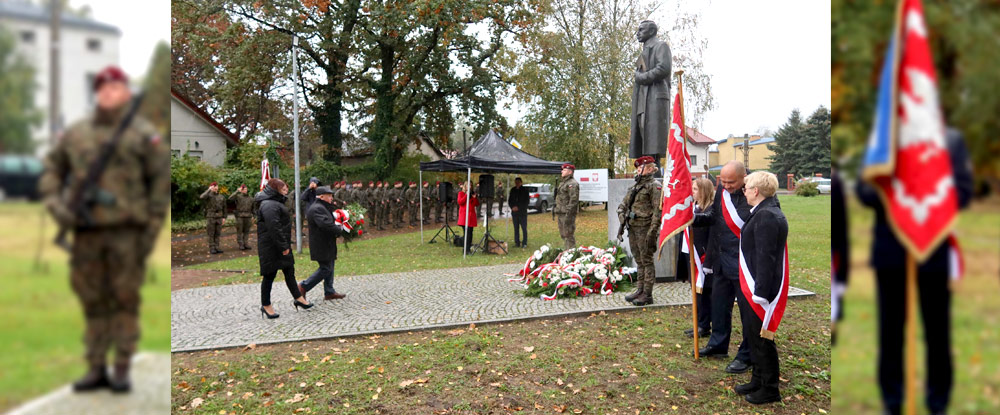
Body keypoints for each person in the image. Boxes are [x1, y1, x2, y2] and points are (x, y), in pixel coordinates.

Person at [39, 65, 169, 392]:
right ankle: (96, 367)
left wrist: (151, 229)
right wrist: (56, 206)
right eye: (102, 88)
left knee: (125, 299)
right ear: (96, 93)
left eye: (114, 87)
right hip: (86, 232)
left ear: (125, 91)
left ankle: (122, 367)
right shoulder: (77, 132)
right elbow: (52, 169)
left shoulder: (142, 133)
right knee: (92, 301)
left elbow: (160, 182)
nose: (107, 93)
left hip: (127, 232)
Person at [854, 128, 973, 415]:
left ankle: (938, 402)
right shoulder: (882, 138)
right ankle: (893, 402)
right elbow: (863, 191)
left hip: (932, 251)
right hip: (892, 254)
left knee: (937, 332)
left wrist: (926, 187)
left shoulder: (951, 140)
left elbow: (964, 193)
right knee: (891, 333)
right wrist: (894, 186)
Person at [692, 160, 753, 374]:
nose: (726, 186)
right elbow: (714, 216)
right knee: (719, 307)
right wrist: (692, 219)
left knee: (748, 314)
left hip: (744, 263)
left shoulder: (755, 192)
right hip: (720, 261)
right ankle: (718, 345)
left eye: (731, 182)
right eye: (723, 182)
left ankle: (747, 354)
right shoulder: (721, 192)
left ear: (743, 177)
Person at [735, 171, 787, 405]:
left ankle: (770, 388)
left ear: (756, 191)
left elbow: (766, 258)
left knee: (763, 339)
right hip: (754, 286)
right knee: (753, 335)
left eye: (746, 188)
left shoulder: (767, 216)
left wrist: (761, 294)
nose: (743, 191)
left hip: (760, 290)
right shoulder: (763, 212)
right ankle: (758, 378)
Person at [255, 178, 312, 319]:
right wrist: (283, 247)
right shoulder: (268, 204)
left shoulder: (275, 202)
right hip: (271, 246)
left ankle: (298, 298)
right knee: (269, 275)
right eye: (283, 187)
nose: (286, 189)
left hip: (280, 244)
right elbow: (274, 227)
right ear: (275, 189)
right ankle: (266, 305)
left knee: (289, 271)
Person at [616, 156, 662, 306]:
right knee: (639, 260)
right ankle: (640, 289)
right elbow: (622, 205)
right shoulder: (635, 186)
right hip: (633, 228)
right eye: (637, 168)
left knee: (647, 261)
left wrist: (653, 231)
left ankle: (647, 294)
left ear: (649, 169)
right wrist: (622, 216)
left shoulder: (654, 186)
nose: (638, 170)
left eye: (640, 168)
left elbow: (658, 211)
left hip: (645, 228)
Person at [296, 186, 347, 301]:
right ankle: (303, 286)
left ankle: (329, 291)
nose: (331, 198)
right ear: (321, 196)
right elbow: (325, 224)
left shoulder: (323, 207)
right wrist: (339, 230)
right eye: (329, 196)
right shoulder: (317, 208)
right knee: (326, 268)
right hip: (321, 244)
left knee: (330, 265)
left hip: (326, 242)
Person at [681, 176, 715, 338]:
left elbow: (711, 239)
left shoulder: (709, 211)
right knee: (695, 290)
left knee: (704, 292)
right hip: (690, 254)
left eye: (695, 189)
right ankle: (698, 322)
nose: (692, 192)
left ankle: (704, 325)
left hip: (701, 256)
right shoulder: (693, 207)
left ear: (703, 191)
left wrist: (708, 260)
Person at [553, 163, 580, 249]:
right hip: (561, 212)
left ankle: (571, 253)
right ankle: (567, 251)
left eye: (564, 170)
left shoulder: (572, 184)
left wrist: (569, 213)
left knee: (568, 234)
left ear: (569, 172)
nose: (562, 171)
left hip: (567, 213)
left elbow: (573, 200)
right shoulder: (563, 183)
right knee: (563, 234)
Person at [201, 182, 226, 254]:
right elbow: (202, 197)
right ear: (211, 187)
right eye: (213, 186)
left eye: (216, 186)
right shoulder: (208, 195)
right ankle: (212, 248)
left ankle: (217, 247)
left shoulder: (221, 197)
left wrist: (224, 217)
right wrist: (209, 190)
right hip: (211, 217)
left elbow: (224, 207)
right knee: (211, 233)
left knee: (218, 233)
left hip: (219, 217)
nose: (215, 187)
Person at [229, 184, 255, 250]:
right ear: (241, 190)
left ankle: (246, 243)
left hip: (248, 216)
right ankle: (241, 244)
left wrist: (253, 216)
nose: (245, 190)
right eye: (243, 189)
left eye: (246, 189)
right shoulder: (238, 197)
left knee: (247, 231)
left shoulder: (250, 198)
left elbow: (253, 208)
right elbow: (230, 198)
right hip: (240, 216)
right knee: (239, 231)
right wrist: (237, 191)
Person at [508, 177, 530, 248]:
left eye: (518, 182)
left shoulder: (525, 190)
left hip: (522, 212)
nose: (517, 183)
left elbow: (526, 202)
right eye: (516, 182)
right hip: (514, 213)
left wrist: (519, 207)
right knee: (516, 228)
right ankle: (517, 242)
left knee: (523, 228)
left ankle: (524, 242)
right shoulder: (513, 190)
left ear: (521, 182)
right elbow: (510, 200)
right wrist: (512, 207)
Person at [457, 181, 479, 250]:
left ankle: (468, 248)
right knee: (467, 233)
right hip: (464, 216)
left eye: (471, 185)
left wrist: (474, 197)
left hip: (471, 216)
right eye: (468, 185)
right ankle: (466, 249)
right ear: (465, 186)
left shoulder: (472, 194)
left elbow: (476, 204)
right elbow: (460, 202)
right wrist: (466, 195)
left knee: (470, 233)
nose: (469, 187)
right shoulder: (461, 193)